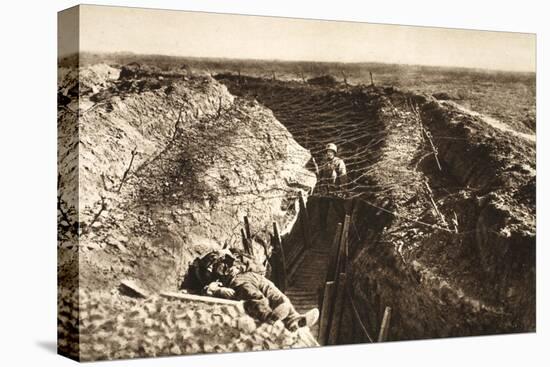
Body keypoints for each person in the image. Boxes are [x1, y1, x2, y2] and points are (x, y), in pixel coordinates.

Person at [196, 249, 319, 331]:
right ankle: (271, 319)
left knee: (280, 298)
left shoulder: (235, 256)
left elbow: (258, 266)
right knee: (257, 298)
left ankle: (295, 319)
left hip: (255, 277)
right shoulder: (207, 270)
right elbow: (207, 289)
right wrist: (218, 290)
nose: (219, 261)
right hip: (238, 282)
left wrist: (240, 267)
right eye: (214, 261)